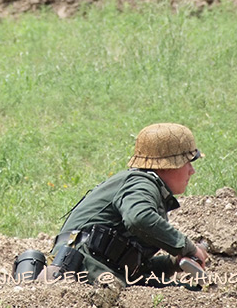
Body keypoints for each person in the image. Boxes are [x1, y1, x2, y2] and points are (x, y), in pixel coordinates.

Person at [43, 123, 209, 287]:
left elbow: (132, 267)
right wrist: (188, 248)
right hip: (82, 267)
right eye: (187, 162)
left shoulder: (142, 186)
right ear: (166, 165)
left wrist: (172, 263)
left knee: (186, 291)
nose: (191, 170)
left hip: (92, 267)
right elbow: (139, 219)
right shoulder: (141, 184)